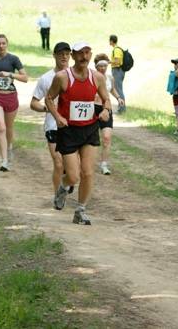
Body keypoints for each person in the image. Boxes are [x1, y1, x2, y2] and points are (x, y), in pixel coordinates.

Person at [45, 42, 112, 225]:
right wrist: (57, 116)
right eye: (80, 53)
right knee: (73, 176)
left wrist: (106, 110)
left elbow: (107, 100)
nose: (84, 56)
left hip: (89, 129)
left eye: (87, 52)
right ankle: (63, 188)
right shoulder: (62, 77)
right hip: (68, 130)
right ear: (73, 56)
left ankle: (80, 211)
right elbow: (49, 98)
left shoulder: (97, 77)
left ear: (91, 55)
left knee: (88, 172)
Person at [30, 41, 72, 202]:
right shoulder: (46, 78)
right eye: (61, 53)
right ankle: (58, 196)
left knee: (71, 166)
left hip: (73, 126)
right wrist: (46, 109)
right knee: (58, 162)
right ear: (54, 55)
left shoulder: (76, 75)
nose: (64, 56)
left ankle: (68, 180)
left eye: (67, 53)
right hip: (53, 125)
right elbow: (33, 103)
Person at [0, 34, 29, 171]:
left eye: (3, 43)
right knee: (1, 128)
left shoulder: (13, 59)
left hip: (11, 97)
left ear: (7, 44)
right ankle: (4, 161)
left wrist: (10, 74)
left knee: (9, 128)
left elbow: (25, 77)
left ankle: (9, 148)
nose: (1, 46)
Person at [93, 53, 124, 175]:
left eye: (105, 65)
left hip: (107, 108)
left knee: (106, 137)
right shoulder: (91, 77)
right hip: (93, 108)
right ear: (96, 66)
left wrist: (118, 98)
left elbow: (112, 89)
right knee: (90, 139)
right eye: (100, 66)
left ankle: (104, 164)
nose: (103, 68)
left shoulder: (110, 78)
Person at [109, 34, 127, 113]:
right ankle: (121, 108)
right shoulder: (117, 49)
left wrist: (109, 62)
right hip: (118, 70)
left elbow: (117, 61)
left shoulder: (116, 50)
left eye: (109, 40)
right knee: (118, 88)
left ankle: (122, 109)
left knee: (118, 89)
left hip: (117, 70)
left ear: (111, 41)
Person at [166, 57, 178, 135]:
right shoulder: (174, 72)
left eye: (177, 63)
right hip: (175, 95)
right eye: (174, 64)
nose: (175, 65)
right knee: (177, 112)